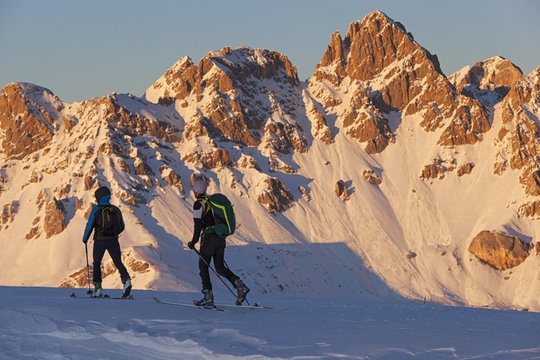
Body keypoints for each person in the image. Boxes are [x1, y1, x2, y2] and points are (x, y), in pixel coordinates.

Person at [187, 179, 249, 306]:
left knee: (203, 266)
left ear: (196, 191)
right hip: (220, 238)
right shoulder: (211, 201)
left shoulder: (199, 204)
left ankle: (208, 297)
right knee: (220, 267)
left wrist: (193, 241)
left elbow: (197, 225)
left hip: (209, 239)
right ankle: (240, 286)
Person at [82, 186, 132, 298]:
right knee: (118, 262)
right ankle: (127, 281)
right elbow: (122, 226)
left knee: (97, 264)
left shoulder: (96, 209)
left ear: (99, 197)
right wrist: (113, 234)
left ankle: (98, 288)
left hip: (100, 240)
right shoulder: (115, 209)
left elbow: (89, 225)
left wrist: (85, 238)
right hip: (113, 240)